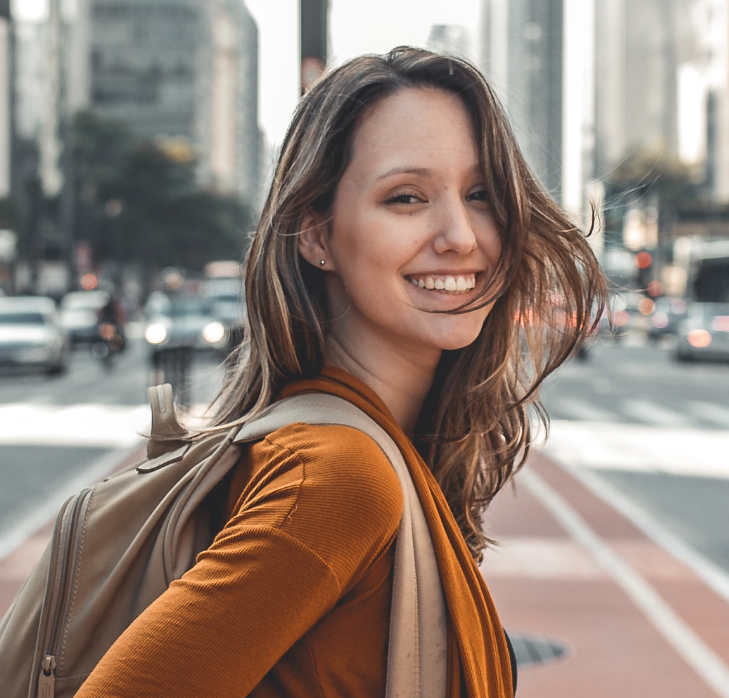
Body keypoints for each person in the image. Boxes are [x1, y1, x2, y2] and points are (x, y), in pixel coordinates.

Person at [74, 48, 604, 697]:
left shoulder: (363, 448)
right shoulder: (336, 478)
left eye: (481, 195)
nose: (460, 235)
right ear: (316, 235)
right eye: (405, 198)